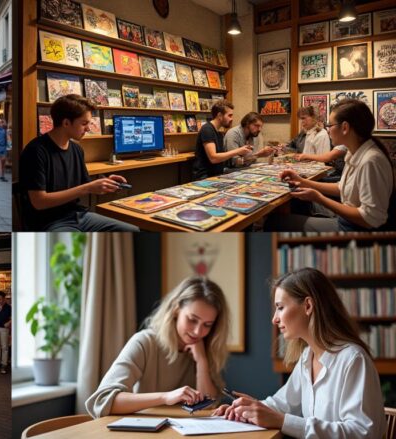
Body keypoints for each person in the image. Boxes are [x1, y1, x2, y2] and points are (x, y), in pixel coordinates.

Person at [213, 268, 385, 437]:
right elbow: (281, 404)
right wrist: (243, 410)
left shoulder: (353, 360)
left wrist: (283, 421)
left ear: (308, 306)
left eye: (280, 307)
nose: (275, 319)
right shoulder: (307, 357)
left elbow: (362, 433)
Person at [85, 277, 230, 418]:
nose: (198, 331)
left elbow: (209, 406)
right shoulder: (144, 342)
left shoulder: (204, 349)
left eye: (207, 325)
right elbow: (102, 401)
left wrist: (201, 362)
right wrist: (165, 397)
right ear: (176, 310)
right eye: (192, 319)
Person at [19, 94, 139, 231]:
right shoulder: (36, 151)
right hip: (48, 222)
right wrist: (88, 188)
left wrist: (106, 182)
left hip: (78, 215)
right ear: (66, 123)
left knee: (132, 231)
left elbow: (85, 184)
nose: (88, 128)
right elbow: (39, 202)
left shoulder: (76, 149)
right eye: (84, 123)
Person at [271, 99, 394, 231]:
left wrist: (319, 198)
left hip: (352, 228)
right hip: (347, 221)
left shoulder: (371, 160)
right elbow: (342, 188)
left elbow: (370, 219)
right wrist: (302, 181)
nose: (328, 130)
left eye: (330, 125)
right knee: (298, 204)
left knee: (275, 222)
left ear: (345, 128)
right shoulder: (355, 152)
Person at [192, 100, 253, 180]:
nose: (232, 119)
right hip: (205, 177)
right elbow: (213, 158)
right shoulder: (207, 129)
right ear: (220, 115)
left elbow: (223, 158)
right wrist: (238, 151)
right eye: (229, 115)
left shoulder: (219, 132)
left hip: (218, 175)